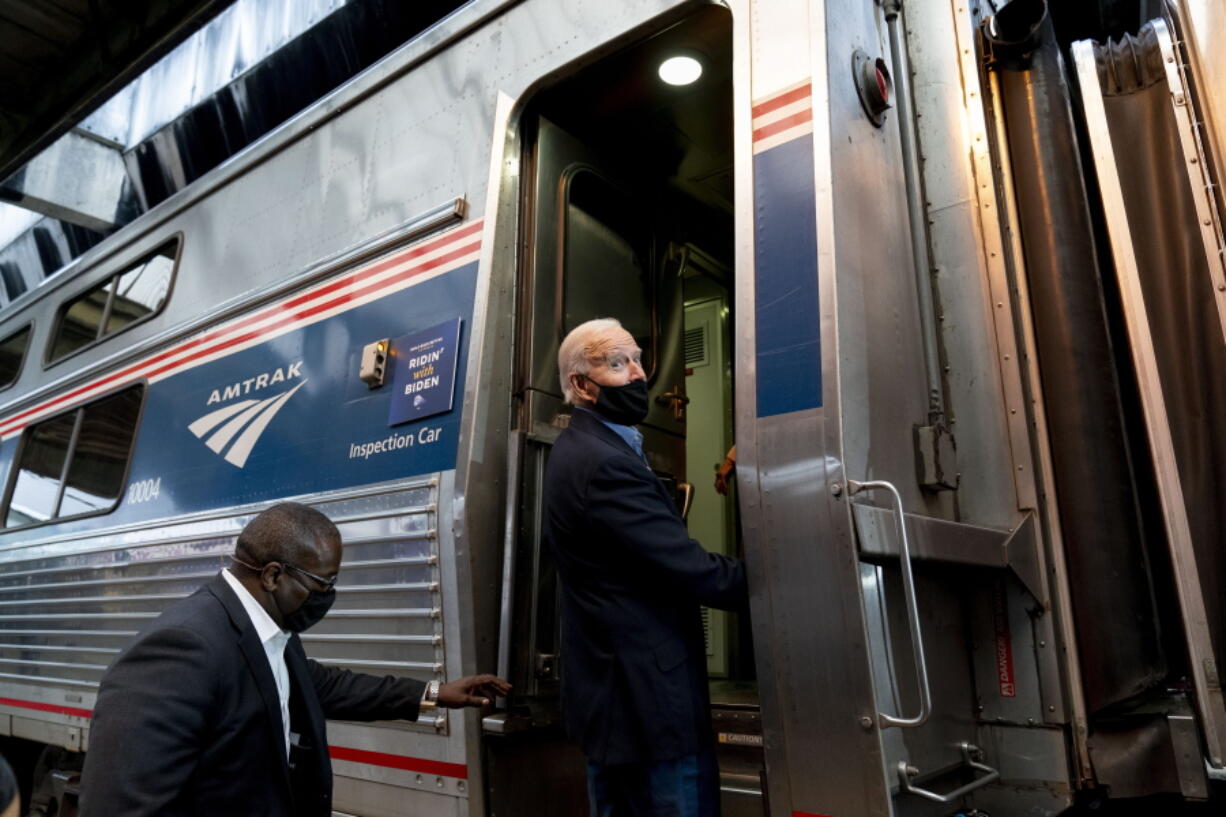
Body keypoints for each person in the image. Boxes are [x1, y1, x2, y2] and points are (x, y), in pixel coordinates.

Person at [79, 502, 509, 817]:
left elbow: (325, 686)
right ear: (272, 575)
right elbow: (122, 806)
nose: (330, 596)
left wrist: (436, 693)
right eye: (324, 582)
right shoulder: (183, 648)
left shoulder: (267, 628)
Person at [543, 317, 747, 817]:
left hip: (621, 703)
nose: (637, 375)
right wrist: (795, 577)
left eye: (637, 359)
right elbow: (688, 569)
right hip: (645, 706)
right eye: (616, 363)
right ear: (580, 385)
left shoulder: (593, 449)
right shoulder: (603, 463)